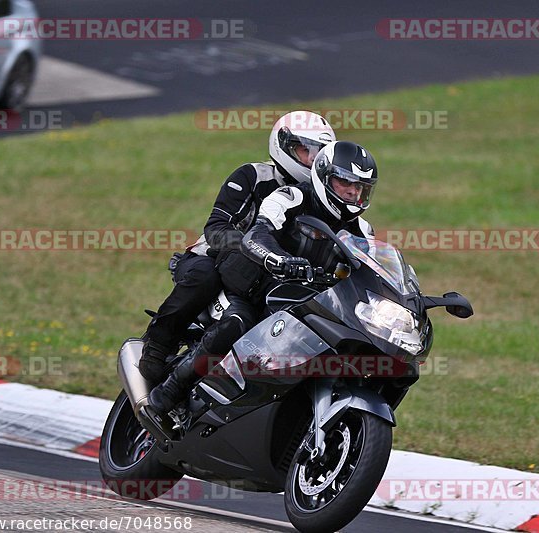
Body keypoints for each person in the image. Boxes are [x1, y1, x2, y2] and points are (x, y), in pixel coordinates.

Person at [148, 140, 379, 414]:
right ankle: (170, 391)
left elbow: (371, 271)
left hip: (299, 306)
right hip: (250, 290)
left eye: (360, 188)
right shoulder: (290, 197)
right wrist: (278, 259)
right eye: (346, 183)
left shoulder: (363, 230)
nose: (353, 192)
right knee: (238, 325)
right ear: (325, 177)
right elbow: (258, 233)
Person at [139, 111, 336, 383]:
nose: (313, 160)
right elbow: (216, 228)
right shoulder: (253, 175)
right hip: (214, 258)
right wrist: (252, 248)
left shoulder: (321, 198)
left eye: (319, 154)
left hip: (268, 279)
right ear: (284, 147)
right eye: (306, 151)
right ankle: (158, 342)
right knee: (203, 276)